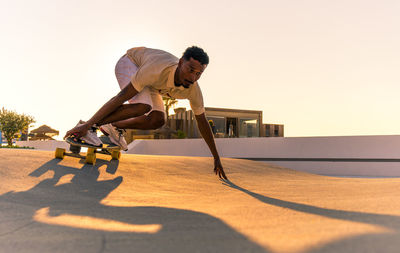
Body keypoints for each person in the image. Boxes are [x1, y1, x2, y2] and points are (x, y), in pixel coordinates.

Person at [64, 46, 228, 179]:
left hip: (152, 83)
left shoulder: (193, 90)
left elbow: (202, 122)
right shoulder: (156, 70)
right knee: (143, 106)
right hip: (131, 62)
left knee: (158, 119)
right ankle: (87, 128)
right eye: (190, 70)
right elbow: (121, 97)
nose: (192, 78)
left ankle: (112, 127)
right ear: (180, 63)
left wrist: (216, 157)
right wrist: (88, 124)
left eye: (198, 74)